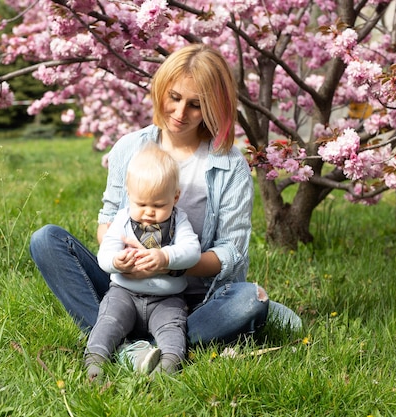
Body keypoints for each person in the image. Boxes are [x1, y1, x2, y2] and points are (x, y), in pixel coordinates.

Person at [29, 43, 302, 373]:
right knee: (46, 240)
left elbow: (232, 252)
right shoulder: (130, 148)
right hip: (125, 288)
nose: (180, 113)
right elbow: (107, 220)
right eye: (174, 97)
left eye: (196, 105)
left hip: (190, 300)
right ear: (161, 90)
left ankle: (131, 341)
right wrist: (124, 256)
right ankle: (133, 348)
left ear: (213, 107)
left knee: (245, 299)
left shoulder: (229, 166)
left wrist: (169, 264)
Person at [85, 142, 201, 380]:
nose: (149, 212)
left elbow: (192, 252)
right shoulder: (122, 220)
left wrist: (165, 256)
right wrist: (118, 261)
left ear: (175, 197)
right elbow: (104, 255)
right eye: (141, 204)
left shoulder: (179, 221)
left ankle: (168, 364)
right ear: (129, 196)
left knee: (173, 330)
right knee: (108, 321)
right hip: (124, 294)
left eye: (159, 205)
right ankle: (95, 360)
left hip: (166, 299)